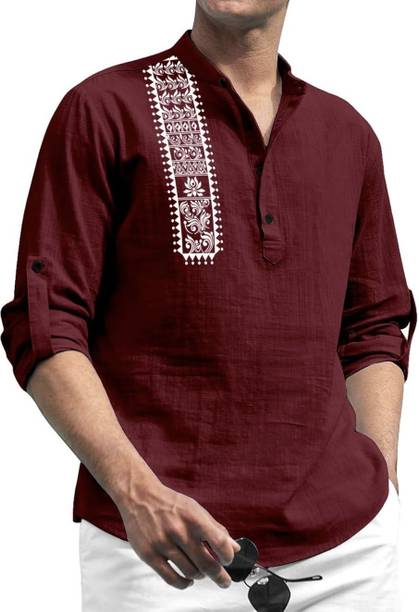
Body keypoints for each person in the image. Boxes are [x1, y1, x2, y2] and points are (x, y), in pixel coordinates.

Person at [1, 1, 416, 610]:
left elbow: (374, 322)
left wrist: (381, 481)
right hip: (157, 551)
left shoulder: (346, 133)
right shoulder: (104, 109)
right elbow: (46, 320)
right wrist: (136, 494)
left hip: (349, 554)